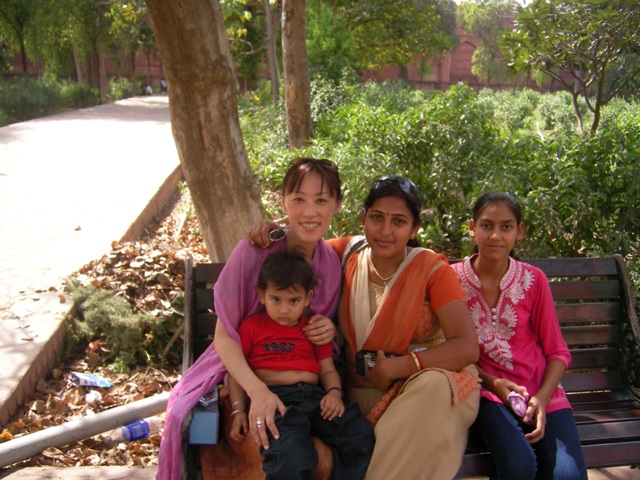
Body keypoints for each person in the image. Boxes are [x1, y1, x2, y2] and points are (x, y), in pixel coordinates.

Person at [249, 174, 481, 479]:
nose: (385, 231)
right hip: (360, 396)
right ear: (363, 219)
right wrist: (273, 231)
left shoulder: (432, 269)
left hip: (424, 391)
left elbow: (466, 347)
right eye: (376, 218)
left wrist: (400, 367)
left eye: (399, 221)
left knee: (432, 386)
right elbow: (299, 243)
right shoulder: (344, 255)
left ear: (415, 228)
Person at [156, 157, 343, 480]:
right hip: (242, 377)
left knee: (331, 456)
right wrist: (255, 393)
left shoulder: (330, 262)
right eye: (299, 199)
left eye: (321, 201)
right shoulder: (256, 250)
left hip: (305, 392)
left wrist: (329, 329)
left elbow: (314, 334)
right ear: (283, 201)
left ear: (337, 205)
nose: (309, 212)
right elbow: (225, 335)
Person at [452, 191, 587, 479]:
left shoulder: (534, 280)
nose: (496, 236)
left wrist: (541, 399)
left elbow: (558, 353)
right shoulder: (451, 281)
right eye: (486, 225)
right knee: (519, 467)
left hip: (541, 391)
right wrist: (493, 382)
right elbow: (450, 349)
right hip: (486, 393)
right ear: (472, 227)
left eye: (506, 227)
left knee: (570, 476)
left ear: (520, 231)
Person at [228, 251, 374, 479]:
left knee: (359, 436)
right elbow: (236, 372)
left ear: (308, 298)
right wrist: (238, 409)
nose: (284, 309)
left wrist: (334, 393)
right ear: (261, 295)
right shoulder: (251, 327)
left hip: (315, 400)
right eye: (276, 299)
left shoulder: (313, 328)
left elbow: (327, 369)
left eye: (294, 301)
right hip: (276, 401)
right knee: (291, 453)